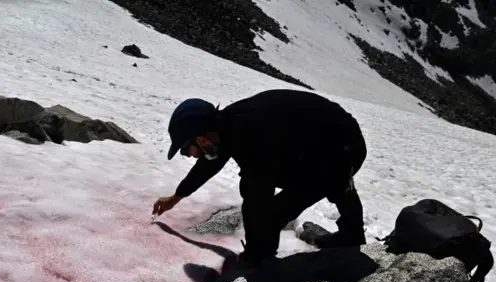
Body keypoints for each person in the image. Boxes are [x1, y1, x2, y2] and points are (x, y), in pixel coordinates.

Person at [152, 89, 368, 268]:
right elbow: (208, 165)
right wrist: (176, 197)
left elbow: (258, 196)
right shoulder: (225, 125)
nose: (189, 155)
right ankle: (351, 229)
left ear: (201, 139)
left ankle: (349, 234)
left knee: (270, 207)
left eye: (185, 149)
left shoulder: (248, 136)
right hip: (330, 141)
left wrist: (254, 254)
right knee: (298, 177)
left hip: (345, 147)